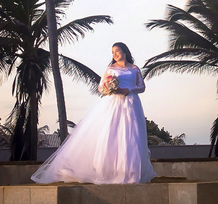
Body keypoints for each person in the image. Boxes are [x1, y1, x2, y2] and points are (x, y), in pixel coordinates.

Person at [30, 42, 157, 184]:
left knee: (132, 135)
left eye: (117, 51)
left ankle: (131, 171)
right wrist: (111, 89)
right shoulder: (110, 69)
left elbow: (141, 87)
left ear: (125, 52)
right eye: (112, 52)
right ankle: (108, 170)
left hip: (132, 103)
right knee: (112, 134)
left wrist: (129, 90)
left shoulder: (134, 69)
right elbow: (101, 87)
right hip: (114, 104)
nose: (114, 54)